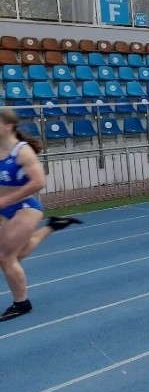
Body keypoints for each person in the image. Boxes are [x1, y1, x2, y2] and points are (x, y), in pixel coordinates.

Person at [0, 108, 82, 321]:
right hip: (5, 209)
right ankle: (53, 226)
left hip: (25, 208)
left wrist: (6, 200)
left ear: (9, 126)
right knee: (16, 255)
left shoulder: (22, 150)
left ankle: (21, 303)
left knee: (6, 257)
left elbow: (39, 182)